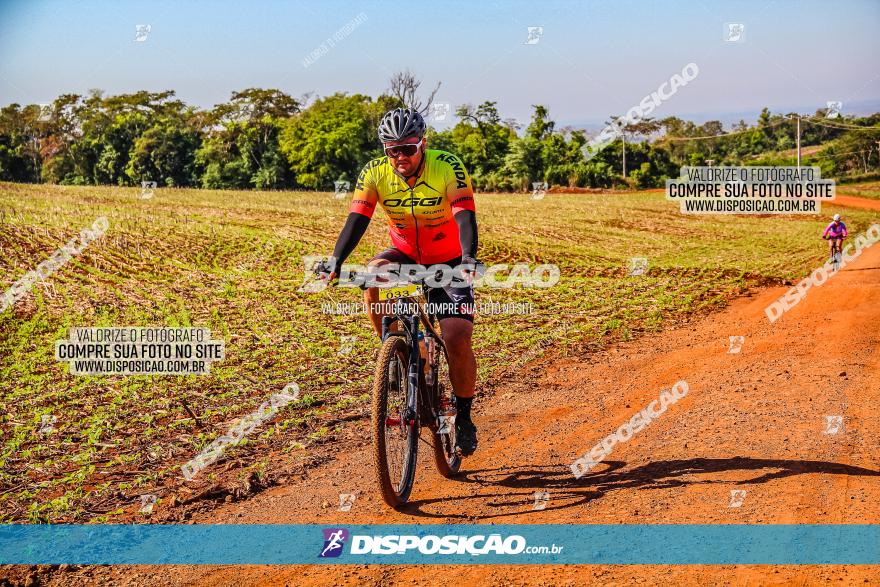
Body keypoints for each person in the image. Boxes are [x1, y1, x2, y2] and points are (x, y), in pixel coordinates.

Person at [316, 107, 480, 456]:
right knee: (372, 272)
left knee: (456, 335)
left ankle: (464, 416)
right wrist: (335, 261)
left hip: (448, 258)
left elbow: (464, 214)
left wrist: (467, 258)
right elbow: (357, 218)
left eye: (408, 148)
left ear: (423, 144)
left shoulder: (447, 165)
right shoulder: (375, 172)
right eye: (392, 150)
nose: (400, 156)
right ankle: (393, 348)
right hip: (404, 252)